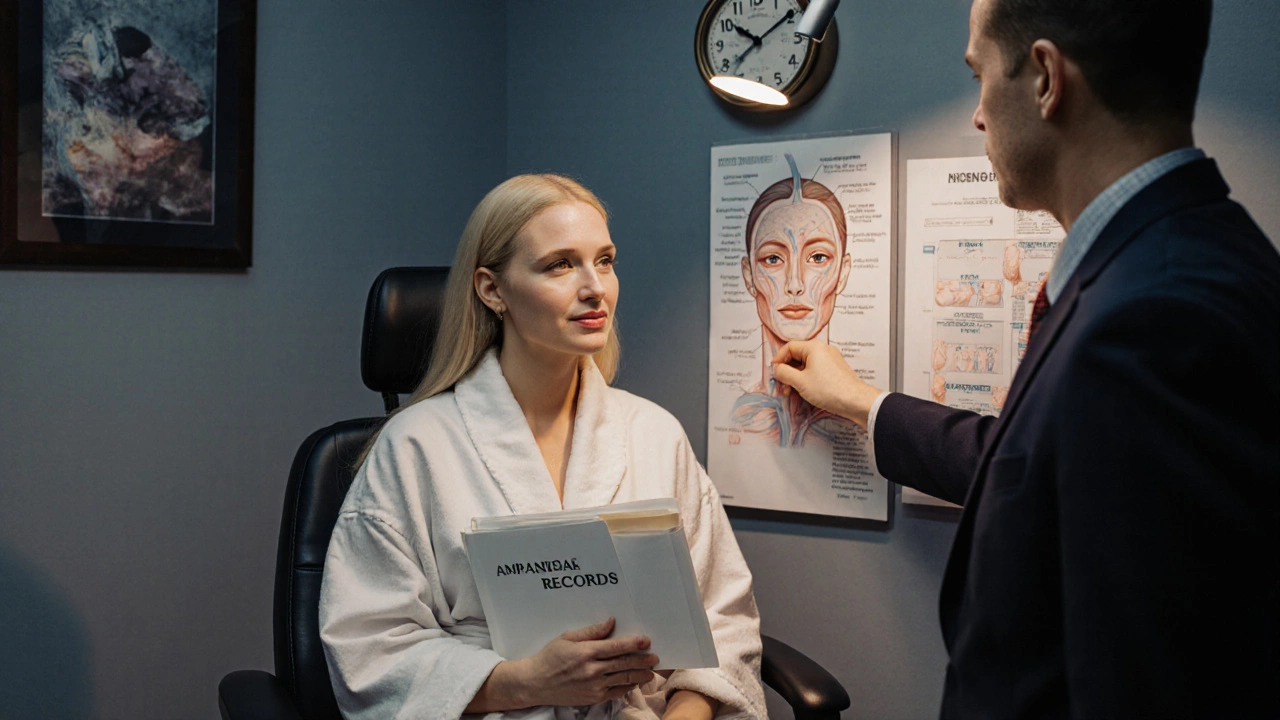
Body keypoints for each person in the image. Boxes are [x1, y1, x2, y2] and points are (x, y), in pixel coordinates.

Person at [772, 0, 1280, 716]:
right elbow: (1043, 469)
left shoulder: (1154, 318)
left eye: (979, 73)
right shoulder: (1164, 265)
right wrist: (862, 403)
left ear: (1044, 77)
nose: (978, 115)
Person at [319, 174, 766, 720]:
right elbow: (369, 646)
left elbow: (724, 616)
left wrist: (685, 714)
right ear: (492, 289)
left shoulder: (654, 433)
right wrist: (524, 682)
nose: (595, 287)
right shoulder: (415, 448)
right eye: (560, 264)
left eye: (604, 260)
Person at [733, 153, 852, 447]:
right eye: (773, 259)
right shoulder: (740, 417)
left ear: (843, 272)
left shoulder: (851, 425)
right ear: (749, 276)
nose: (795, 284)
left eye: (818, 257)